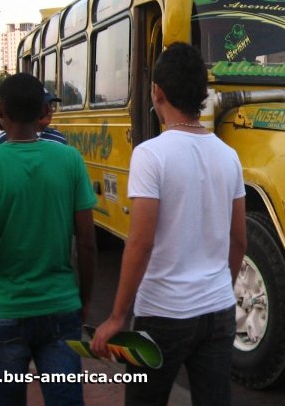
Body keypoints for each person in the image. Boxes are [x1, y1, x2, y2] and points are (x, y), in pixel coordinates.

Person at [91, 43, 246, 406]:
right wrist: (220, 289)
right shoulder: (229, 156)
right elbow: (238, 241)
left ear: (157, 92)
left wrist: (116, 317)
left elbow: (140, 244)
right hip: (218, 311)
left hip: (163, 314)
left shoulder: (150, 154)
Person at [0, 73, 97, 406]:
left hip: (3, 308)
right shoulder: (69, 160)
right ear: (43, 110)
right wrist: (84, 299)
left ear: (0, 110)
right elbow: (87, 244)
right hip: (61, 305)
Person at [0, 89, 66, 145]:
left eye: (51, 104)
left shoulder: (58, 137)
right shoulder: (2, 139)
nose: (50, 110)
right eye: (44, 105)